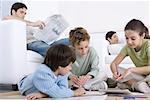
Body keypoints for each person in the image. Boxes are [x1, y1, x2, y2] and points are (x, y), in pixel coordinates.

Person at [18, 44, 86, 99]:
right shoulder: (42, 72)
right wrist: (75, 93)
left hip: (45, 86)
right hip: (26, 84)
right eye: (69, 65)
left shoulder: (62, 73)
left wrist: (43, 94)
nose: (70, 69)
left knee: (54, 90)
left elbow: (62, 89)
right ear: (60, 66)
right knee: (53, 89)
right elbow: (57, 93)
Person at [3, 2, 69, 57]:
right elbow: (8, 17)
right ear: (13, 12)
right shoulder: (9, 20)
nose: (24, 15)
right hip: (32, 43)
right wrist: (33, 23)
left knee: (69, 40)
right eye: (21, 12)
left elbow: (38, 34)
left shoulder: (26, 24)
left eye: (25, 13)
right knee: (55, 51)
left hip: (42, 41)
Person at [110, 19, 150, 93]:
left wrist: (131, 69)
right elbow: (114, 63)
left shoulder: (148, 45)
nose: (129, 42)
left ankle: (134, 85)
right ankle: (139, 86)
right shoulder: (127, 47)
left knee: (121, 84)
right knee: (118, 73)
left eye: (133, 38)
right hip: (141, 76)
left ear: (142, 35)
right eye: (126, 38)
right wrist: (115, 73)